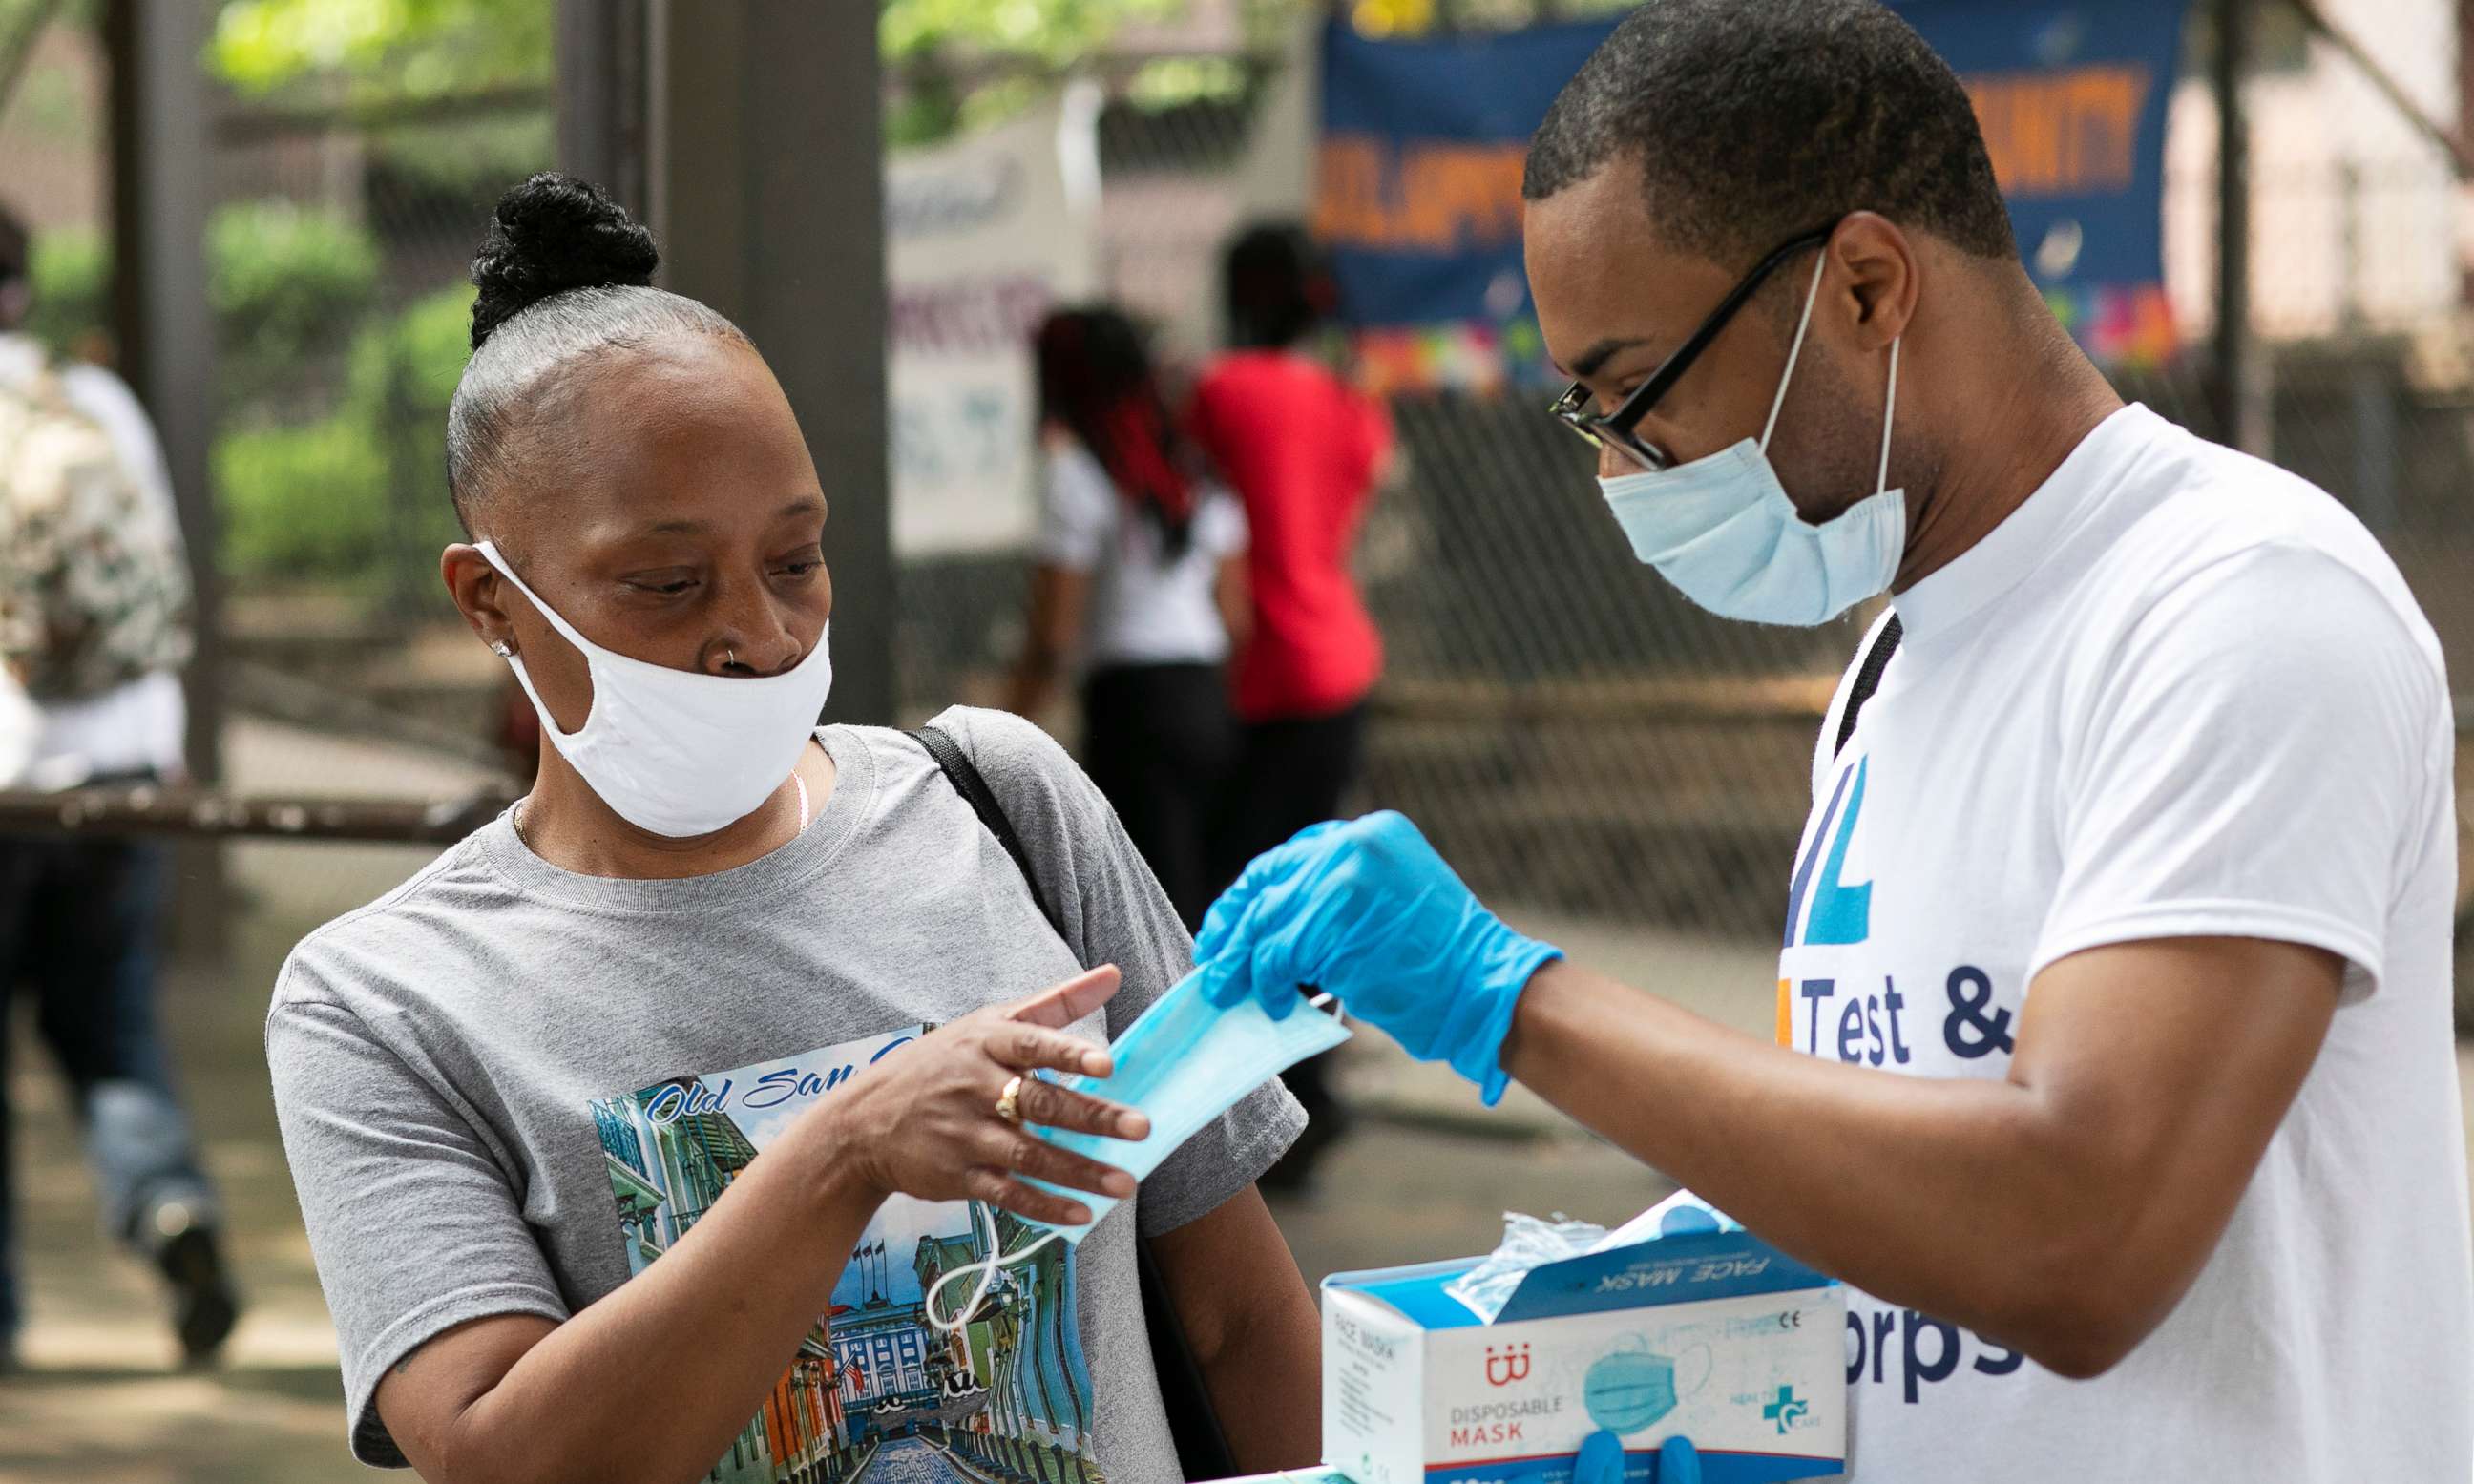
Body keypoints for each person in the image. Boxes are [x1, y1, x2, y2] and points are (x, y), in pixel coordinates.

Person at [1192, 5, 2473, 1481]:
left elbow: (2080, 1233)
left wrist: (1514, 999)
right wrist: (1575, 1344)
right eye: (1586, 411)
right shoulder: (1892, 668)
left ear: (1866, 284)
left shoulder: (2236, 606)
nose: (1620, 470)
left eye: (1638, 393)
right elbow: (1890, 1171)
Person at [266, 176, 1322, 1483]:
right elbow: (499, 1456)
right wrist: (843, 1149)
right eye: (667, 582)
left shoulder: (1002, 801)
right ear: (491, 598)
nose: (757, 637)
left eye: (795, 560)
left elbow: (1240, 1315)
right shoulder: (382, 1001)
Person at [0, 202, 239, 1370]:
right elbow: (163, 593)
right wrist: (163, 741)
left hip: (2, 786)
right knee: (111, 1027)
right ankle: (166, 1208)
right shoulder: (92, 402)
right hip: (123, 775)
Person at [1190, 223, 1394, 1182]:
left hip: (1262, 675)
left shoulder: (1220, 393)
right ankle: (1318, 1091)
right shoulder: (1353, 404)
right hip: (1340, 665)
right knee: (1310, 893)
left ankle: (1285, 1109)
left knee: (1243, 903)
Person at [1007, 307, 1248, 930]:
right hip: (1206, 692)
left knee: (1151, 916)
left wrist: (1007, 724)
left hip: (1132, 706)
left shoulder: (1077, 471)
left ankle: (1172, 1029)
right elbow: (1235, 610)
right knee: (1202, 899)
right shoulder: (1189, 463)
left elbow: (1055, 633)